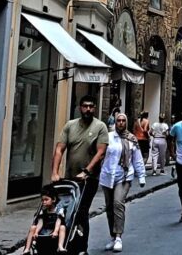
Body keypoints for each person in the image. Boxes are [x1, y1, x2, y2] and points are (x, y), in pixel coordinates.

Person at [51, 95, 108, 255]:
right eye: (85, 106)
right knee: (65, 212)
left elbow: (101, 152)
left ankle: (82, 248)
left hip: (89, 180)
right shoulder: (70, 125)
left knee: (81, 212)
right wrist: (55, 172)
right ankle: (66, 243)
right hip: (70, 179)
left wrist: (87, 171)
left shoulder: (100, 127)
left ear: (94, 108)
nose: (88, 109)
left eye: (91, 106)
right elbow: (59, 149)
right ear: (80, 107)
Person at [99, 112, 146, 252]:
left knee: (117, 203)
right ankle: (113, 236)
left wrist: (142, 176)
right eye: (118, 120)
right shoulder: (108, 137)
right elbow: (101, 154)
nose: (120, 123)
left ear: (126, 122)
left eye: (123, 121)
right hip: (108, 176)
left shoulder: (132, 139)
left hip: (124, 176)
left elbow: (137, 158)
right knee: (109, 207)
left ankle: (119, 236)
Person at [22, 184, 66, 254]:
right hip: (44, 228)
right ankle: (27, 248)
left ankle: (60, 246)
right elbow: (40, 222)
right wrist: (36, 232)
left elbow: (58, 221)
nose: (44, 202)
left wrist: (55, 231)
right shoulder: (43, 210)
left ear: (54, 199)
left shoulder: (59, 209)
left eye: (46, 200)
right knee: (33, 227)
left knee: (62, 227)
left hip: (54, 228)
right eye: (42, 200)